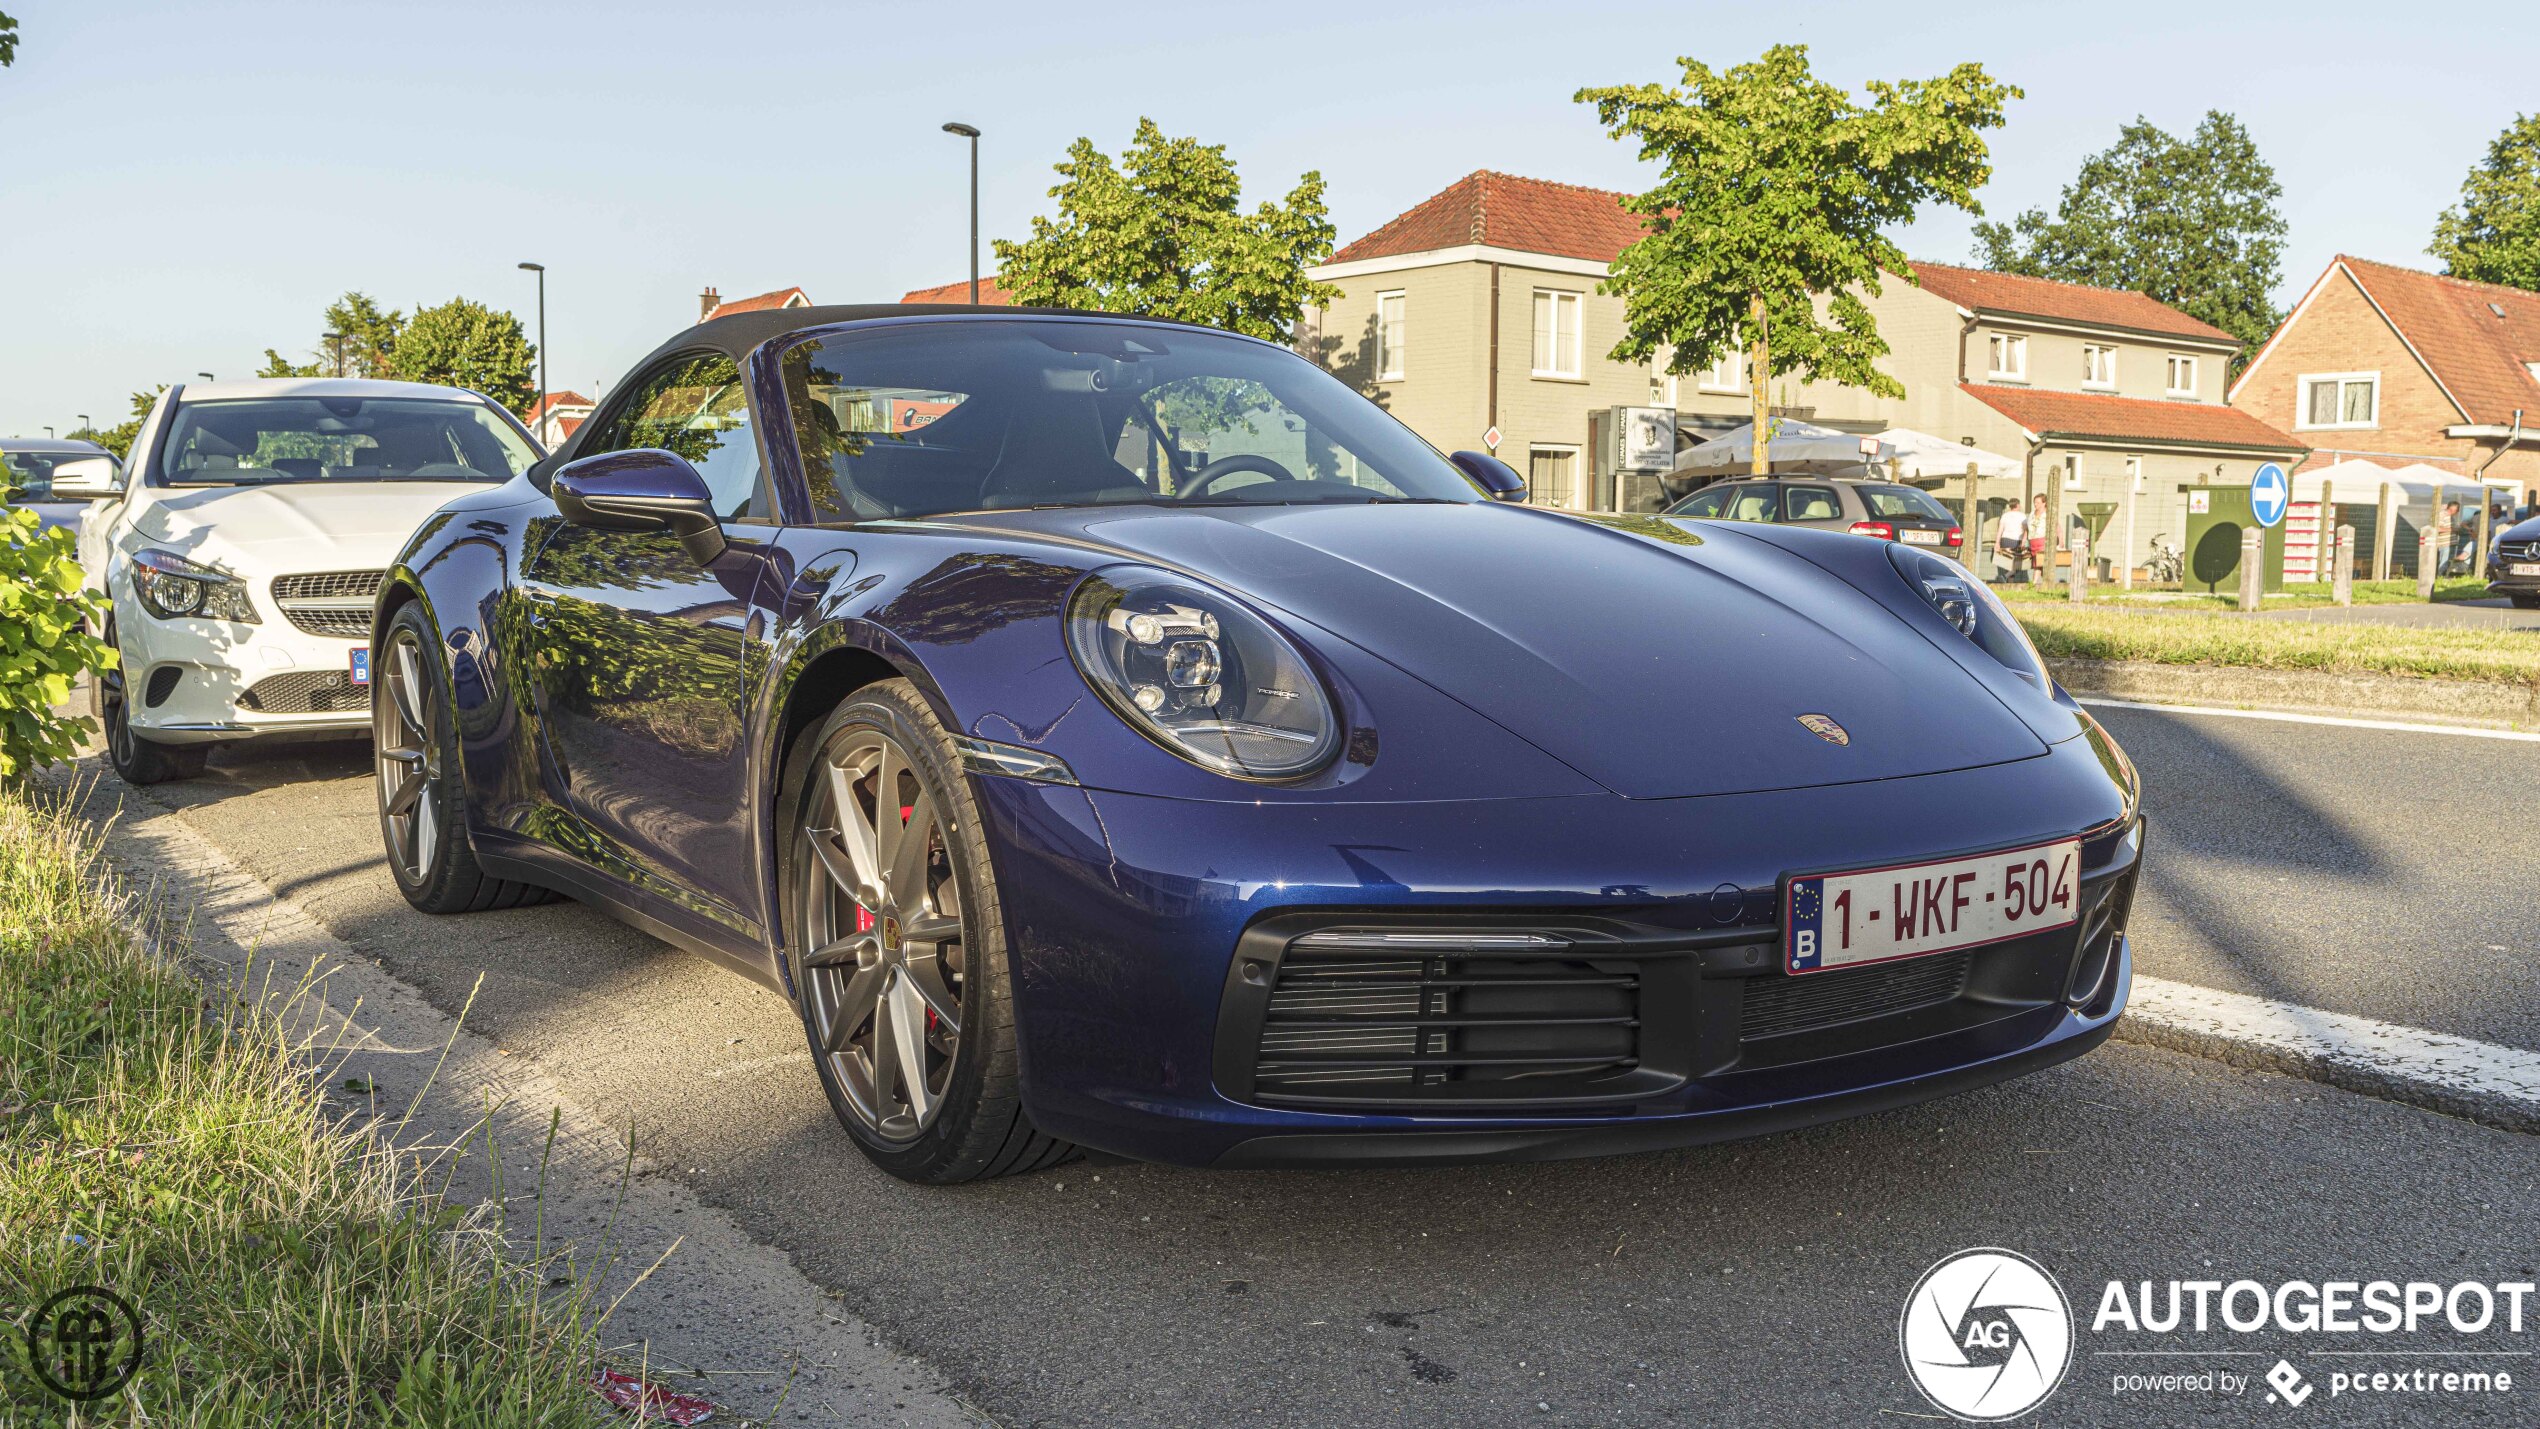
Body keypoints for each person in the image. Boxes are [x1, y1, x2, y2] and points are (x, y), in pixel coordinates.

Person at [1994, 500, 2027, 582]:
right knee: (2017, 563)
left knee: (2007, 563)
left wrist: (1997, 542)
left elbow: (2000, 530)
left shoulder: (2005, 515)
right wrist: (2024, 540)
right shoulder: (2022, 515)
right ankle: (2006, 576)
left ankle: (2009, 582)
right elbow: (2025, 529)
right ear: (2018, 505)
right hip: (2016, 541)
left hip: (2005, 540)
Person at [2026, 494, 2050, 583]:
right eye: (2034, 502)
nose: (2035, 504)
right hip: (2033, 542)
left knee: (2039, 563)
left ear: (2044, 503)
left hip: (2042, 541)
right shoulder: (2032, 513)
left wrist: (2061, 541)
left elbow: (2057, 527)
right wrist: (2024, 539)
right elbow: (2026, 527)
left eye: (2038, 502)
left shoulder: (2047, 514)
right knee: (2039, 564)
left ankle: (2034, 583)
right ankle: (2046, 583)